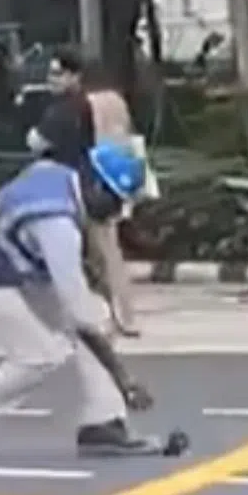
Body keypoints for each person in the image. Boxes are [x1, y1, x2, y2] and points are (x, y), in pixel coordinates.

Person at [0, 142, 157, 458]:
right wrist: (125, 380)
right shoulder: (56, 226)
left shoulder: (55, 174)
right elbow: (79, 317)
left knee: (97, 317)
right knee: (40, 355)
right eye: (116, 202)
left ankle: (103, 422)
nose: (118, 214)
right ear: (95, 185)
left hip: (13, 267)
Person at [81, 63, 145, 338]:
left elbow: (88, 141)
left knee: (102, 250)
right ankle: (124, 312)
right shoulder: (118, 102)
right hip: (121, 175)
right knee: (110, 247)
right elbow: (127, 137)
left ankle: (116, 314)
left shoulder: (89, 104)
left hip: (97, 175)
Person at [26, 47, 95, 180]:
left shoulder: (61, 110)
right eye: (50, 74)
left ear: (76, 76)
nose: (50, 79)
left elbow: (35, 143)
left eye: (57, 74)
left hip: (63, 182)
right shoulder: (89, 101)